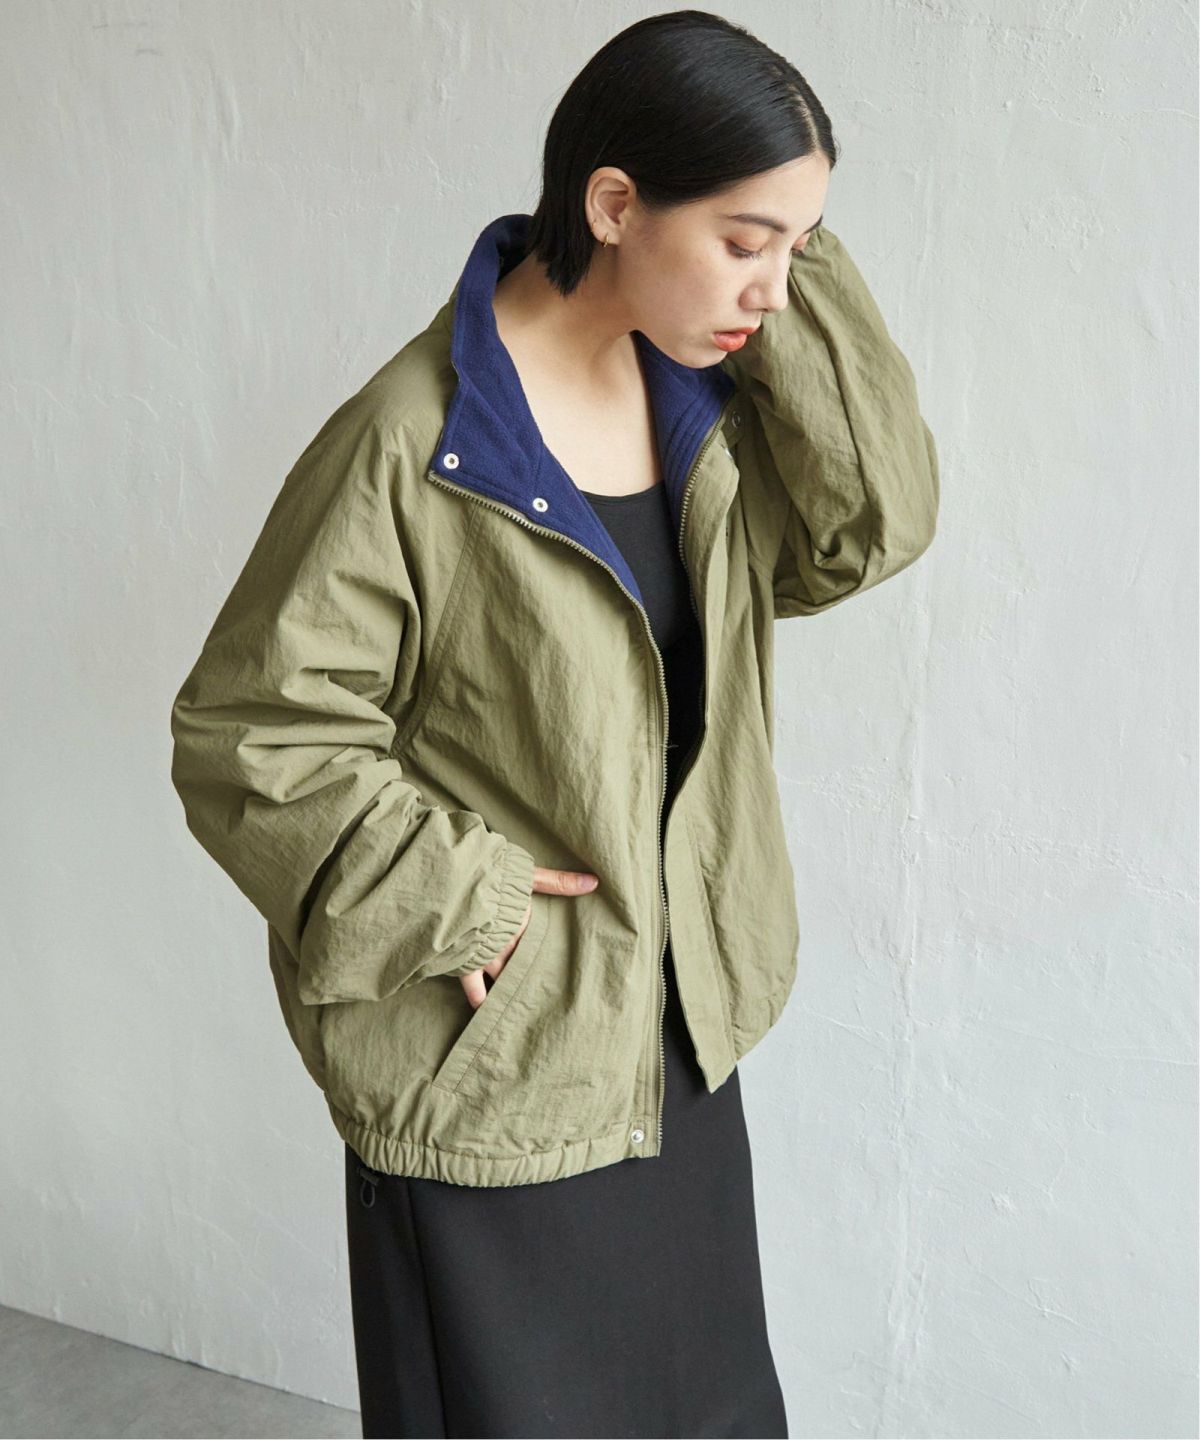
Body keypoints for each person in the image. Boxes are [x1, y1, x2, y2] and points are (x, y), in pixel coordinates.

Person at [169, 10, 939, 1437]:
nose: (773, 289)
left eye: (803, 246)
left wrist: (787, 258)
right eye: (746, 240)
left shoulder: (700, 399)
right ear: (614, 203)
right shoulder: (414, 440)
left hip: (674, 1033)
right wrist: (460, 899)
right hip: (496, 1061)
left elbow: (866, 527)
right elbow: (251, 731)